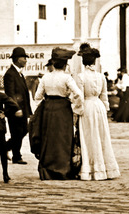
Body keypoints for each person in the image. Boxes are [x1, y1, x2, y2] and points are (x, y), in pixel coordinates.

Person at [31, 47, 83, 180]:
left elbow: (37, 96)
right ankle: (63, 169)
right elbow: (78, 94)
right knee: (63, 139)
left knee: (48, 138)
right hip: (63, 109)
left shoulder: (45, 77)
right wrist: (75, 107)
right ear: (66, 65)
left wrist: (44, 105)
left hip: (48, 109)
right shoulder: (67, 78)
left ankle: (47, 169)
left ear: (53, 64)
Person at [74, 43, 120, 180]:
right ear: (94, 61)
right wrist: (104, 111)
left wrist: (77, 112)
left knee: (88, 137)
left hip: (87, 107)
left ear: (83, 62)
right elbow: (104, 96)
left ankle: (90, 169)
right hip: (99, 107)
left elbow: (79, 97)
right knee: (101, 136)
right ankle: (105, 168)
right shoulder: (101, 76)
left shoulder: (80, 77)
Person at [3, 47, 32, 165]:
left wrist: (27, 110)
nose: (26, 60)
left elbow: (24, 94)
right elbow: (10, 94)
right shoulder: (10, 74)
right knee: (17, 132)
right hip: (15, 110)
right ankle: (16, 156)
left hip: (22, 110)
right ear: (17, 59)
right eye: (24, 58)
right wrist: (16, 108)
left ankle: (5, 148)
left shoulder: (19, 74)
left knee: (24, 130)